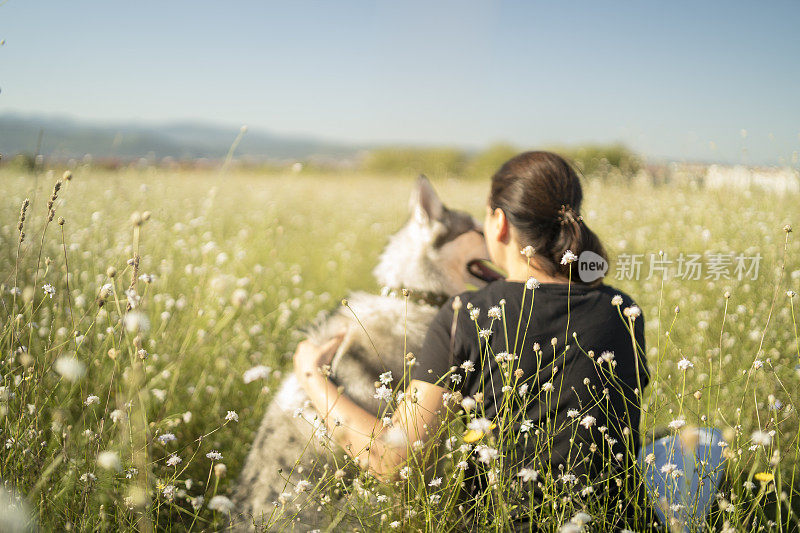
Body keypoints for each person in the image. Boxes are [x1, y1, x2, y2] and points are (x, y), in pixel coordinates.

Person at [293, 151, 654, 530]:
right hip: (617, 523)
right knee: (703, 442)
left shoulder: (466, 314)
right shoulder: (623, 310)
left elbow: (392, 461)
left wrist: (311, 376)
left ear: (499, 223)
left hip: (502, 522)